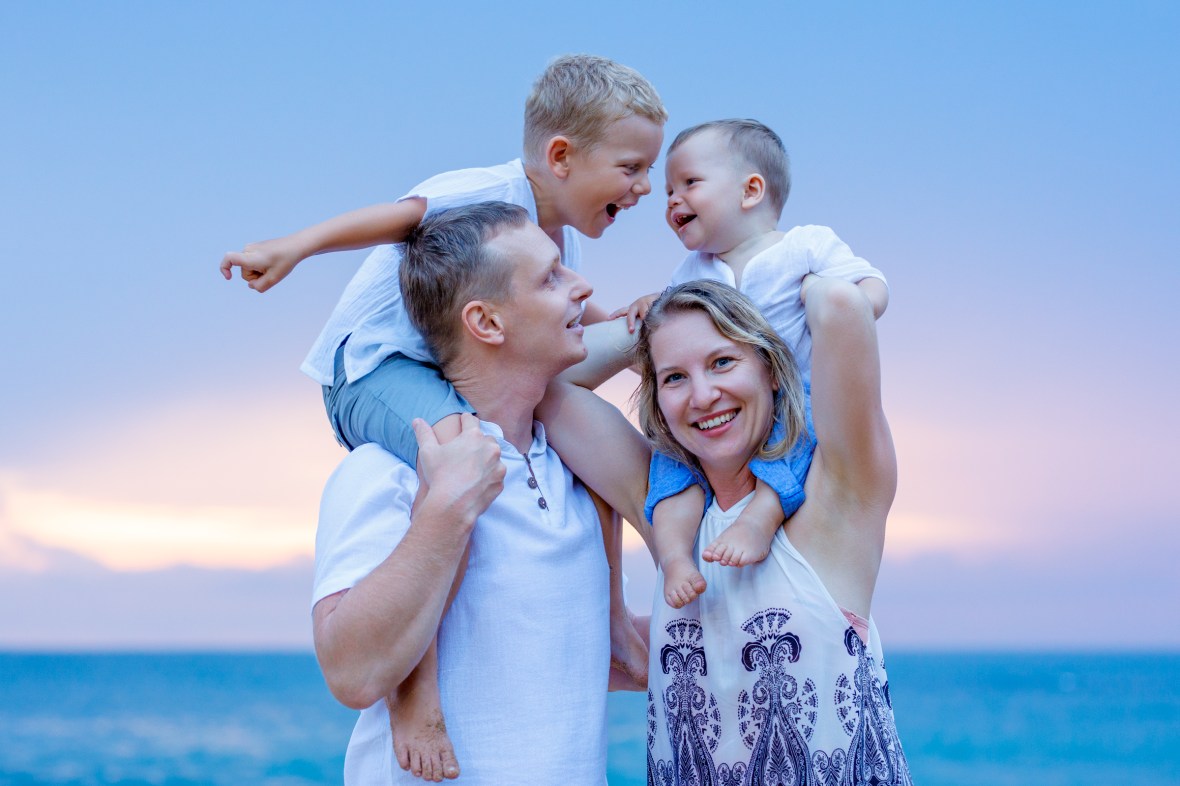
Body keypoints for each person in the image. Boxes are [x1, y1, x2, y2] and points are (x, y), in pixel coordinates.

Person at [222, 54, 665, 778]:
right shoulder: (484, 196)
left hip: (441, 364)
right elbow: (393, 220)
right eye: (631, 168)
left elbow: (577, 327)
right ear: (560, 157)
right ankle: (417, 697)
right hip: (368, 370)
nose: (645, 186)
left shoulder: (552, 235)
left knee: (569, 433)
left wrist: (643, 328)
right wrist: (294, 247)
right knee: (457, 460)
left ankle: (614, 625)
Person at [311, 203, 653, 785]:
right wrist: (446, 510)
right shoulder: (387, 469)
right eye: (550, 277)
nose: (582, 286)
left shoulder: (576, 469)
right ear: (487, 323)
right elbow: (352, 673)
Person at [544, 278, 912, 783]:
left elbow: (844, 308)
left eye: (722, 362)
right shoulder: (673, 524)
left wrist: (790, 280)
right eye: (674, 378)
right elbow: (545, 385)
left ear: (772, 370)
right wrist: (649, 333)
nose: (702, 395)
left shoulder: (838, 501)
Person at [627, 119, 889, 610]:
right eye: (668, 190)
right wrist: (651, 302)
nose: (671, 200)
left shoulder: (802, 246)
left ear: (750, 190)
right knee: (671, 467)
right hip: (727, 412)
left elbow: (872, 285)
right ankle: (675, 556)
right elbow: (674, 322)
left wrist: (844, 308)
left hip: (793, 397)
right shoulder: (694, 270)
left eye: (689, 183)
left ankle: (761, 518)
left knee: (793, 444)